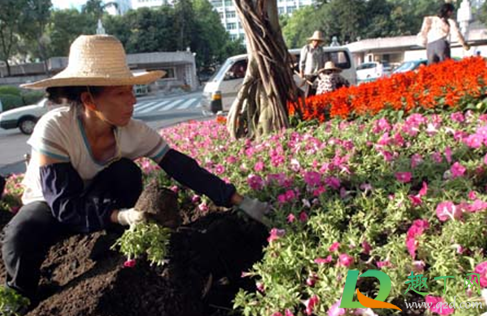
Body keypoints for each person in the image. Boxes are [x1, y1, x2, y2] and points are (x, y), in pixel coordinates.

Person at [1, 34, 268, 310]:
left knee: (126, 172)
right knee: (21, 232)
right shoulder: (55, 128)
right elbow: (64, 206)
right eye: (121, 93)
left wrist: (239, 200)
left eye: (132, 90)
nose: (133, 101)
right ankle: (21, 296)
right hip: (51, 206)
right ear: (89, 100)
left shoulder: (133, 132)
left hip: (96, 201)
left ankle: (114, 245)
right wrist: (122, 215)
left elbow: (184, 168)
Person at [299, 30, 325, 97]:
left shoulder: (321, 49)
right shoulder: (306, 48)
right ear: (312, 40)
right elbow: (302, 61)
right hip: (309, 74)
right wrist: (301, 72)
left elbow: (322, 61)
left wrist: (323, 72)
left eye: (318, 41)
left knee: (317, 92)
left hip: (318, 74)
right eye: (315, 40)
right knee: (308, 93)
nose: (316, 42)